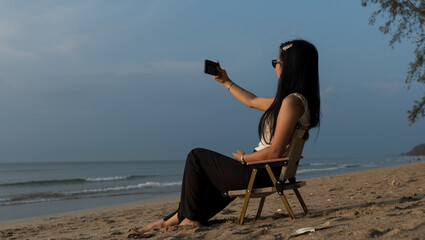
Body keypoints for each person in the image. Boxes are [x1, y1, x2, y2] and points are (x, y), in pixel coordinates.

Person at [133, 39, 320, 233]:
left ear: (289, 67)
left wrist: (244, 159)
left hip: (263, 171)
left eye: (276, 63)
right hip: (266, 170)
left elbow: (274, 151)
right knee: (207, 184)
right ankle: (169, 221)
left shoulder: (291, 102)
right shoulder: (295, 102)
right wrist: (225, 81)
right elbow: (252, 101)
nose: (275, 68)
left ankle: (189, 220)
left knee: (196, 157)